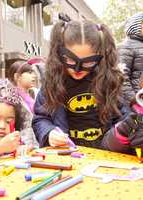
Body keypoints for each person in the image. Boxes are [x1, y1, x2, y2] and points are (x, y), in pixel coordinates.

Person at [32, 19, 143, 154]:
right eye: (71, 59)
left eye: (88, 62)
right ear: (59, 54)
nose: (78, 69)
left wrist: (128, 129)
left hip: (104, 152)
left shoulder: (108, 81)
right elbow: (41, 118)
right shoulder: (53, 83)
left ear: (100, 57)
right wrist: (49, 133)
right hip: (67, 153)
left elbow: (122, 116)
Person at [6, 61, 39, 148]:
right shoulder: (10, 98)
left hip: (39, 143)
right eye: (29, 72)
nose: (34, 76)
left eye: (33, 72)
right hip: (22, 147)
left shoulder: (36, 94)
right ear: (17, 76)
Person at [118, 13, 143, 106]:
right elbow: (121, 77)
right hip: (136, 102)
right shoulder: (126, 46)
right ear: (135, 25)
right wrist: (134, 101)